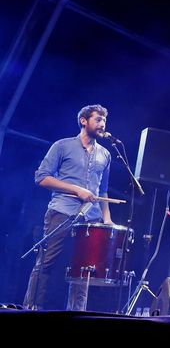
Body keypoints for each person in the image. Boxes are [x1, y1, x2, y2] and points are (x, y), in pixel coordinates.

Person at [23, 104, 115, 311]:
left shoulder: (105, 155)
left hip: (91, 219)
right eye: (98, 119)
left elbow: (103, 190)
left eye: (104, 120)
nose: (102, 124)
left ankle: (77, 312)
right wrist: (76, 189)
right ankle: (31, 308)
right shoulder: (62, 146)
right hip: (62, 211)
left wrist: (107, 218)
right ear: (84, 121)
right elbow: (42, 178)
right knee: (47, 262)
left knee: (84, 270)